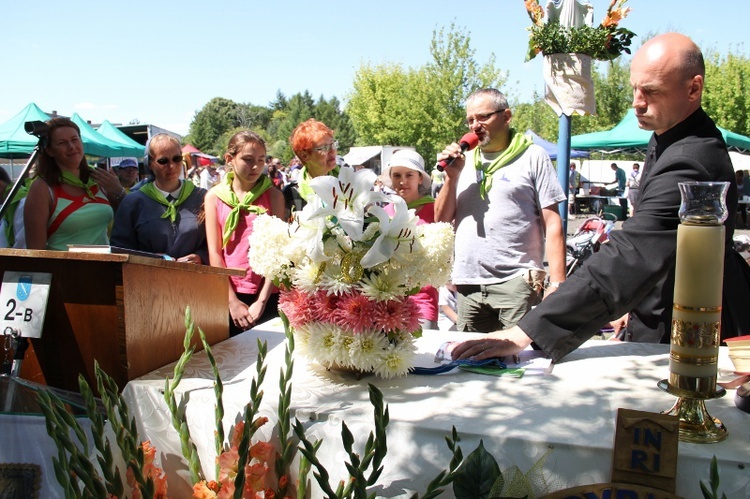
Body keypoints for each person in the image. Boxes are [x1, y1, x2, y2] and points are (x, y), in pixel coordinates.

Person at [451, 33, 750, 364]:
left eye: (650, 91)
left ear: (693, 89)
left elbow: (634, 251)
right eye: (635, 88)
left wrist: (527, 330)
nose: (636, 101)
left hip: (685, 332)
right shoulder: (669, 136)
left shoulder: (692, 156)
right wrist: (628, 306)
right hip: (656, 311)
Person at [435, 88, 567, 333]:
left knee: (516, 363)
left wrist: (557, 283)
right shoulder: (463, 161)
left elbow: (553, 222)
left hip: (516, 283)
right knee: (468, 364)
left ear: (506, 116)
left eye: (483, 117)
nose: (475, 125)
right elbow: (440, 221)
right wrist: (451, 179)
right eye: (470, 120)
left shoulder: (533, 156)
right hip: (468, 284)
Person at [204, 131, 284, 336]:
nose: (256, 166)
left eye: (261, 160)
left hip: (266, 292)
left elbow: (280, 251)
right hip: (229, 293)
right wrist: (232, 301)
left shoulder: (273, 196)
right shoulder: (214, 197)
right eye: (248, 160)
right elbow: (215, 253)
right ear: (229, 159)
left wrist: (262, 301)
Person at [23, 117, 125, 251]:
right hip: (62, 270)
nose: (71, 147)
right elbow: (35, 251)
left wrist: (119, 192)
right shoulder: (42, 188)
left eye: (74, 140)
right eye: (62, 143)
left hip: (103, 268)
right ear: (49, 150)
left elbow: (128, 220)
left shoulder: (99, 178)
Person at [111, 133, 208, 263]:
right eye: (163, 161)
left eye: (176, 159)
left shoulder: (202, 198)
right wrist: (148, 259)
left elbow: (218, 243)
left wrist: (200, 257)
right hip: (148, 278)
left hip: (195, 278)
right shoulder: (133, 203)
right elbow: (120, 249)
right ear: (150, 163)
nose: (171, 166)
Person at [381, 148, 439, 329]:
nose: (403, 181)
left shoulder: (436, 209)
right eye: (397, 175)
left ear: (420, 178)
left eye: (409, 175)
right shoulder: (384, 212)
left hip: (423, 299)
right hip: (389, 301)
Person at [282, 119, 339, 220]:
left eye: (332, 144)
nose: (332, 151)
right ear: (305, 156)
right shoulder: (291, 194)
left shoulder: (347, 183)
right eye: (324, 147)